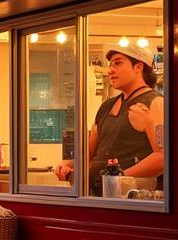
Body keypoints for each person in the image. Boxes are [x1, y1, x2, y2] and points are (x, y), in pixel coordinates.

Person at [55, 44, 164, 195]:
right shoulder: (106, 106)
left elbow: (162, 158)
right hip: (96, 196)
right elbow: (89, 155)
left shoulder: (155, 103)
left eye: (118, 63)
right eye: (110, 65)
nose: (110, 70)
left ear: (138, 67)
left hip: (132, 201)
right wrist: (70, 164)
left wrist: (120, 178)